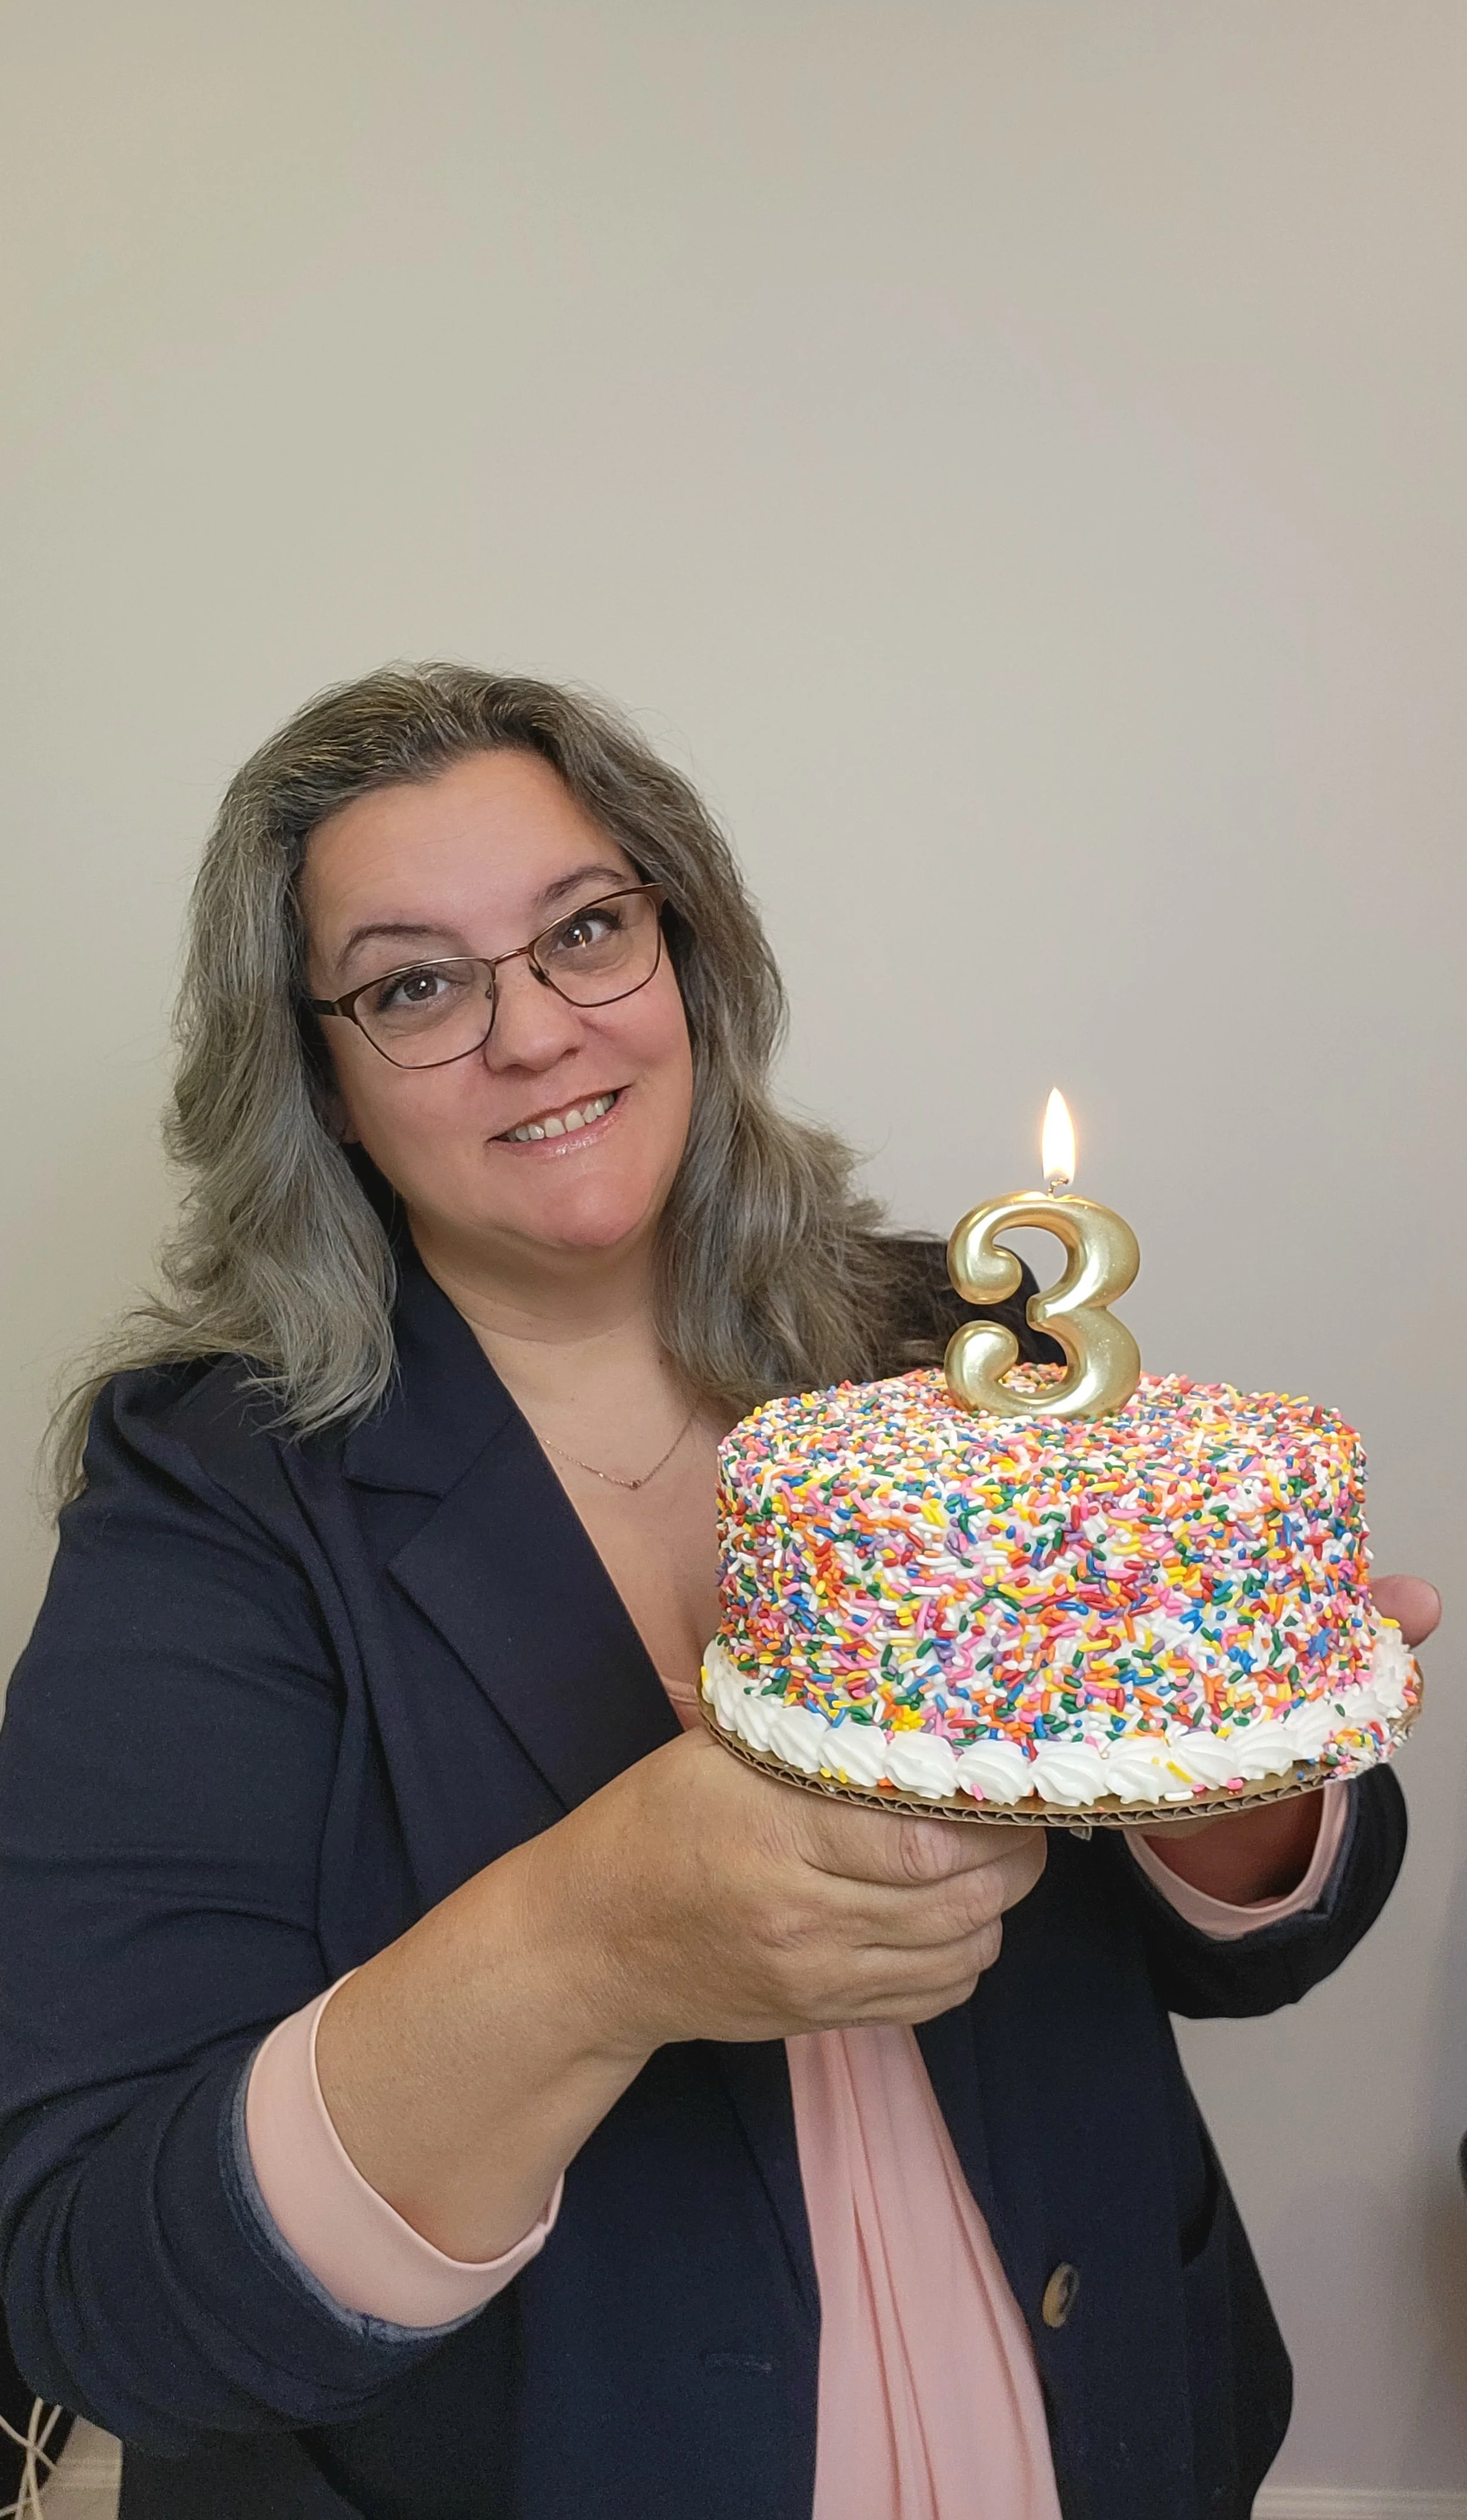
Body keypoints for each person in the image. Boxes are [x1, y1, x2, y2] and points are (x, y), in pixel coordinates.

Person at [0, 665, 1438, 2520]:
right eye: (417, 982)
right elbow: (103, 2293)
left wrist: (1227, 1751)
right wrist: (588, 1948)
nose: (533, 1031)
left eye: (585, 929)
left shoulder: (950, 1356)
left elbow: (1265, 1937)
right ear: (324, 1079)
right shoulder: (211, 1507)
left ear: (683, 952)